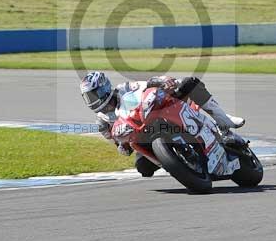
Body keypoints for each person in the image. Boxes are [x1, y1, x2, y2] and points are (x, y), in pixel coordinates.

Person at [79, 71, 246, 177]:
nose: (92, 100)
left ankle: (223, 122)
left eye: (94, 95)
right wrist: (122, 146)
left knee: (189, 83)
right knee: (143, 168)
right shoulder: (102, 121)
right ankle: (180, 164)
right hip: (142, 136)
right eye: (88, 97)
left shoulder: (124, 88)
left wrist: (164, 82)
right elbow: (119, 146)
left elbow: (148, 84)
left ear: (103, 88)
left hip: (156, 113)